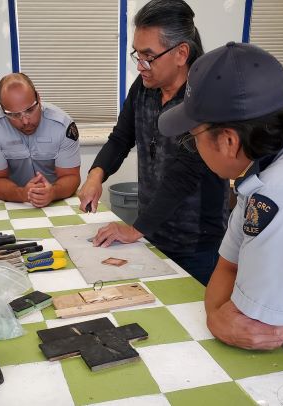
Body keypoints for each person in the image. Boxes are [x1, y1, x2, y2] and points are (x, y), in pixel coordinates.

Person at [158, 41, 283, 350]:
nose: (194, 147)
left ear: (229, 141)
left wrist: (215, 319)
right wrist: (219, 316)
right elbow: (228, 265)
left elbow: (258, 331)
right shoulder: (267, 161)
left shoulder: (281, 191)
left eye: (193, 138)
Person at [78, 0, 229, 285]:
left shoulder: (204, 100)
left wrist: (134, 230)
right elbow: (121, 137)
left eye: (148, 56)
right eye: (137, 54)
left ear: (181, 53)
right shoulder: (144, 87)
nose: (141, 66)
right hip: (151, 235)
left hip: (196, 244)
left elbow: (183, 176)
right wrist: (95, 176)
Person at [0, 73, 81, 208]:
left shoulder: (62, 125)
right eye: (15, 115)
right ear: (3, 109)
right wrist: (23, 194)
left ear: (38, 98)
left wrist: (53, 192)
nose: (25, 121)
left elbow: (71, 177)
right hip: (12, 203)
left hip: (57, 201)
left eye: (30, 110)